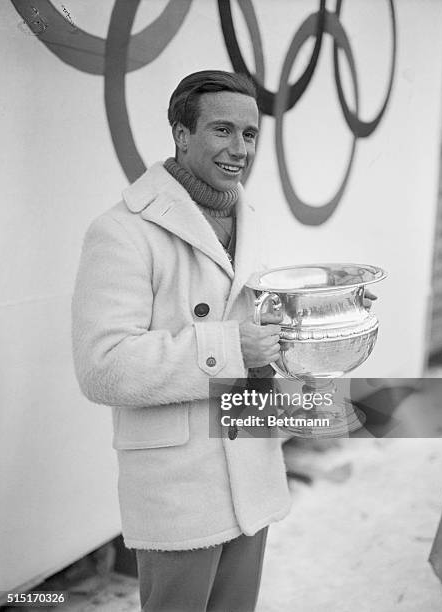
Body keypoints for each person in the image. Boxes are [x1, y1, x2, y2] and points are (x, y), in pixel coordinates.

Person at [72, 70, 291, 612]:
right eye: (222, 130)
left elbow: (258, 333)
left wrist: (299, 341)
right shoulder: (121, 231)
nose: (240, 149)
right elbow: (103, 366)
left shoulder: (252, 220)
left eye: (249, 134)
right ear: (181, 134)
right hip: (178, 486)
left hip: (252, 471)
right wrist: (231, 347)